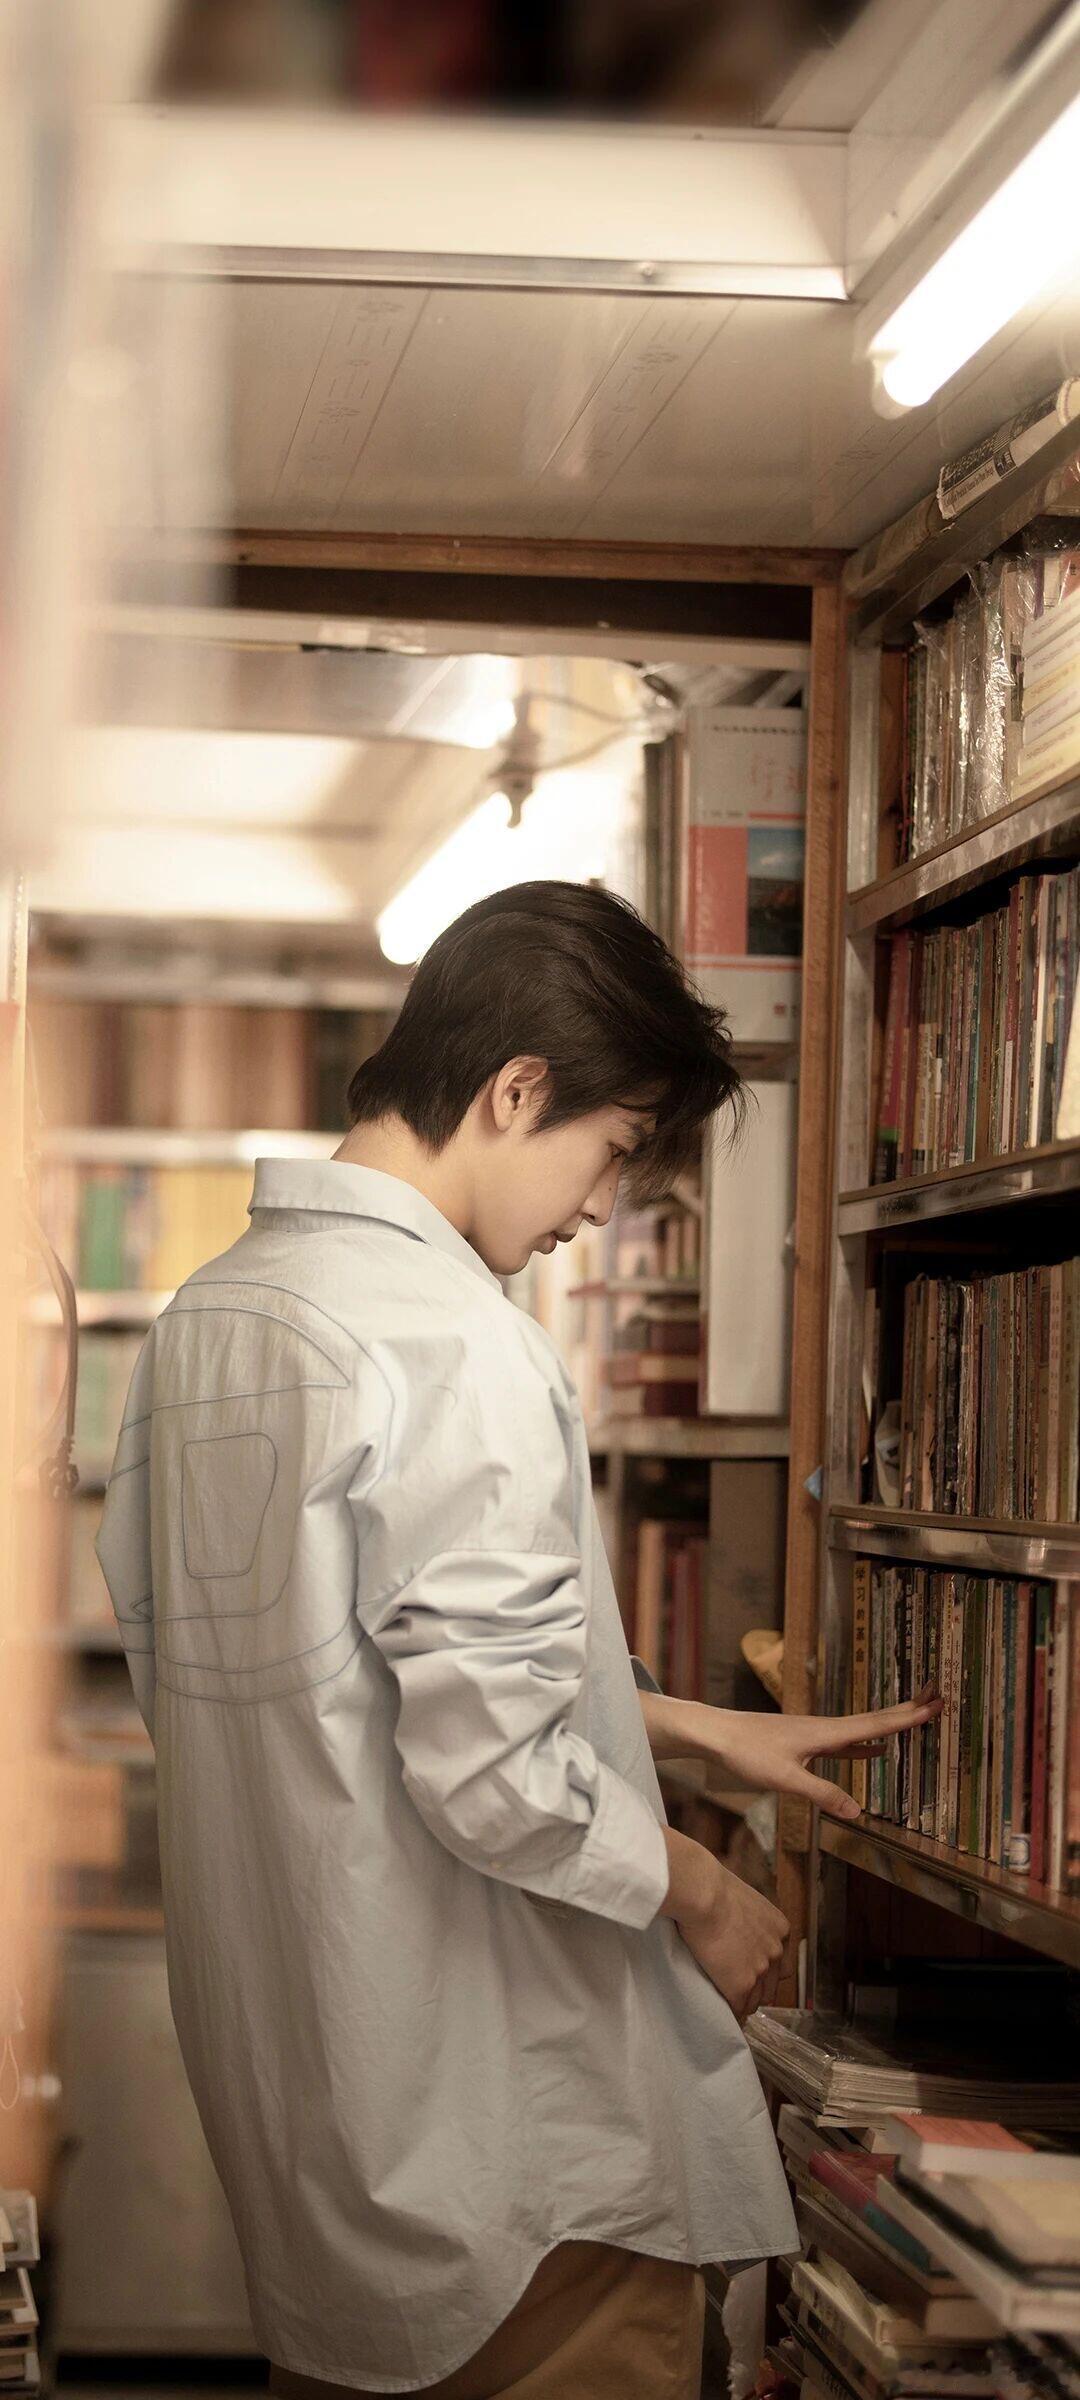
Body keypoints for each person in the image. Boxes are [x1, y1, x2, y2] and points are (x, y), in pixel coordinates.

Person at [95, 879, 938, 2400]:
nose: (602, 1208)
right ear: (516, 1090)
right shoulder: (456, 1340)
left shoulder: (206, 1324)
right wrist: (701, 1890)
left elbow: (330, 1675)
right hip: (521, 2186)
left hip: (327, 2163)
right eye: (614, 1148)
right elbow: (492, 1776)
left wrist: (671, 1719)